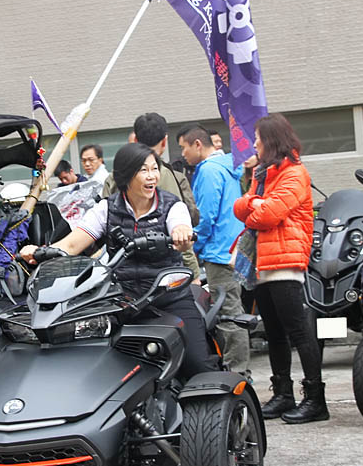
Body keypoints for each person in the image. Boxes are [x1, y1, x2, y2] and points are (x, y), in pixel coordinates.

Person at [19, 143, 218, 379]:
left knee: (197, 365)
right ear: (126, 175)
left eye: (154, 169)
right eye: (144, 170)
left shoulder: (172, 205)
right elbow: (72, 245)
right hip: (124, 302)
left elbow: (182, 229)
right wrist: (40, 251)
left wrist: (182, 234)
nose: (152, 176)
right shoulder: (106, 208)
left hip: (169, 297)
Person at [233, 113, 327, 424]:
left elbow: (268, 215)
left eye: (258, 138)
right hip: (263, 263)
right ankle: (283, 394)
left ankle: (315, 399)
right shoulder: (264, 174)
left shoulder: (295, 174)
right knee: (274, 334)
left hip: (285, 263)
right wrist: (256, 204)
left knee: (298, 332)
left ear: (271, 141)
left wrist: (257, 206)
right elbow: (241, 207)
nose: (255, 144)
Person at [180, 125, 249, 375]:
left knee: (228, 314)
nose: (184, 153)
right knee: (233, 310)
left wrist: (192, 247)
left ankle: (237, 373)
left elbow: (205, 217)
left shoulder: (208, 171)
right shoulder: (230, 166)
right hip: (233, 249)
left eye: (184, 147)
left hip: (219, 252)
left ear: (198, 144)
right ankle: (238, 371)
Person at [103, 112, 201, 280]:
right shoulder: (174, 177)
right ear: (164, 141)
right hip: (170, 272)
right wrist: (193, 273)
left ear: (134, 140)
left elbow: (103, 226)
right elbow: (186, 226)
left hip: (121, 271)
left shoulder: (114, 177)